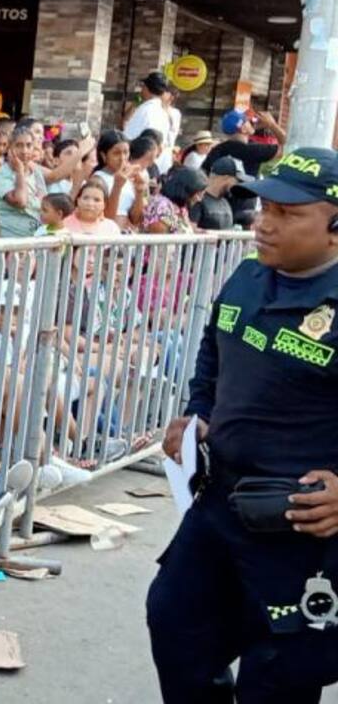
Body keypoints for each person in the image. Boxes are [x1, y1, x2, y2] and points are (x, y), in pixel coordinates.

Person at [150, 147, 338, 704]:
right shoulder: (248, 276)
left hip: (302, 530)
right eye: (264, 206)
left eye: (287, 212)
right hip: (220, 502)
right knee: (174, 622)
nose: (263, 221)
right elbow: (213, 352)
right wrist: (199, 415)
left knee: (279, 674)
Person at [0, 126, 47, 237]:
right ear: (9, 148)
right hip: (11, 238)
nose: (24, 151)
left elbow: (45, 203)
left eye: (29, 145)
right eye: (19, 145)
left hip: (36, 236)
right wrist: (20, 171)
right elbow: (21, 202)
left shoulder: (36, 172)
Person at [93, 130, 148, 231]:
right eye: (116, 153)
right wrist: (117, 186)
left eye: (126, 152)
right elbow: (106, 218)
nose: (122, 158)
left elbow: (135, 219)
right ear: (104, 155)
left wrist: (139, 192)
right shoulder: (97, 180)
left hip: (126, 238)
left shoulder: (129, 179)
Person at [123, 71, 174, 173]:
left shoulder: (145, 110)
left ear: (146, 88)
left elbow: (127, 139)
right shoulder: (163, 112)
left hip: (142, 164)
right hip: (158, 165)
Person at [190, 156, 252, 231]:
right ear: (226, 177)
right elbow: (189, 229)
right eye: (238, 181)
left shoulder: (226, 202)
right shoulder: (197, 200)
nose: (239, 185)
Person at [143, 165, 206, 235]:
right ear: (186, 190)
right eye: (198, 194)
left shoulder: (181, 209)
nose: (199, 199)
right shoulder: (162, 206)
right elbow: (158, 239)